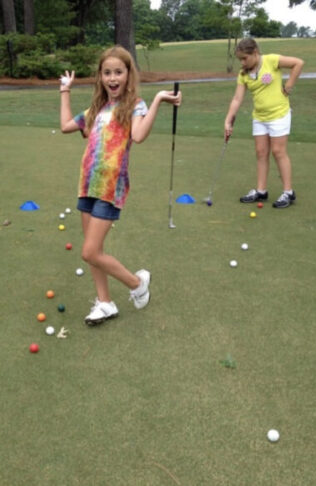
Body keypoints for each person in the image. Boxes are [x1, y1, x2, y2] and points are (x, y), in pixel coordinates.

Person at [60, 45, 182, 325]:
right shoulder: (97, 108)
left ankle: (137, 283)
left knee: (89, 251)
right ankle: (105, 303)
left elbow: (138, 135)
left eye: (118, 72)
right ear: (100, 76)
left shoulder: (134, 105)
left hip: (111, 187)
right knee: (94, 254)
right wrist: (65, 90)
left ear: (128, 74)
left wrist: (159, 100)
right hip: (87, 184)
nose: (112, 78)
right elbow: (67, 124)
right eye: (107, 73)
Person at [224, 38, 304, 208]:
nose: (242, 62)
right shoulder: (243, 73)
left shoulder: (271, 60)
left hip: (279, 114)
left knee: (278, 151)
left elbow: (298, 63)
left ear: (255, 53)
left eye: (245, 58)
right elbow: (237, 98)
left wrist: (288, 86)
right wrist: (228, 119)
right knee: (261, 152)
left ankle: (288, 192)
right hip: (259, 117)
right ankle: (261, 191)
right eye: (240, 59)